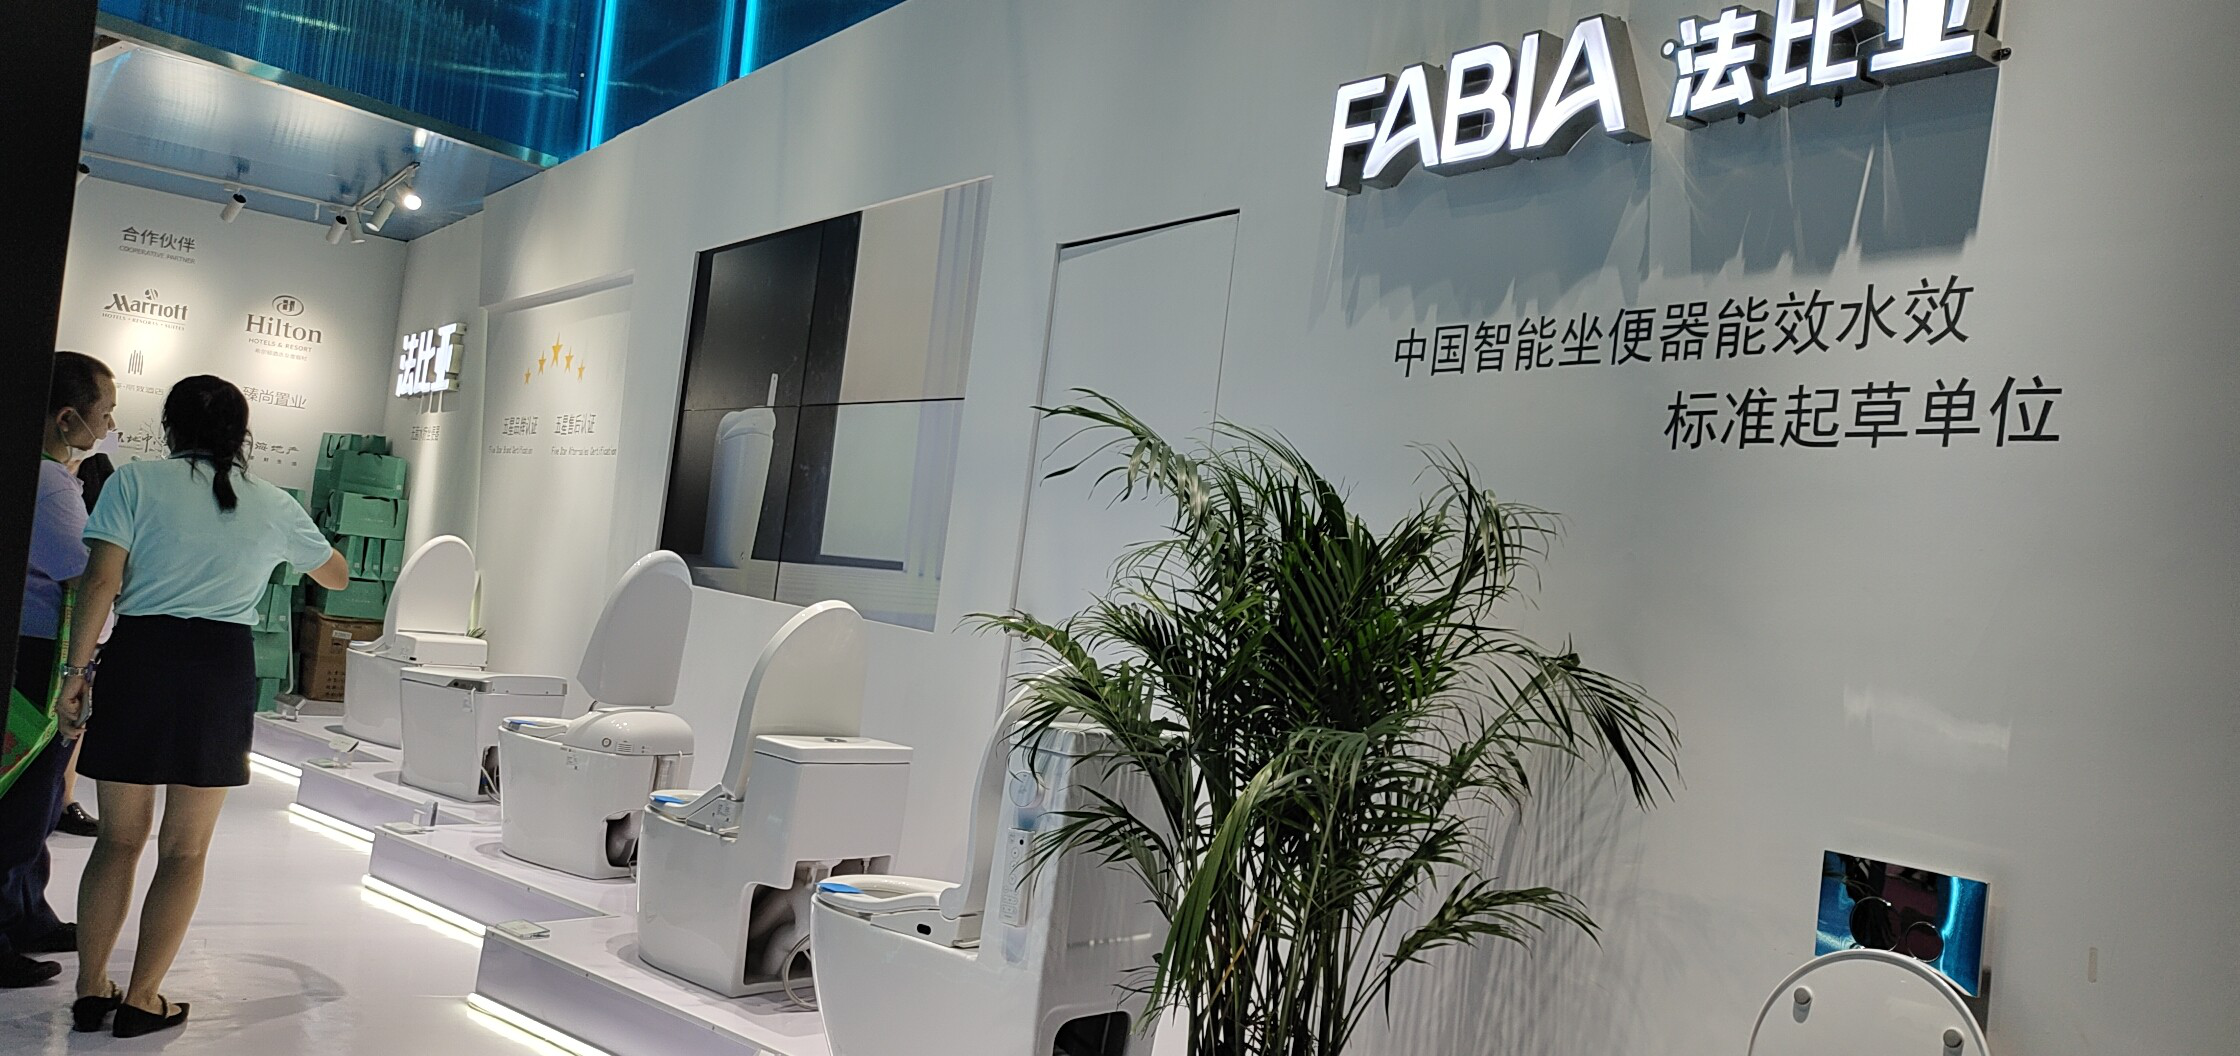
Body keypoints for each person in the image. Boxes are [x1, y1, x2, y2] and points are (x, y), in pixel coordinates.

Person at [56, 376, 347, 1038]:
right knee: (184, 850)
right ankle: (143, 999)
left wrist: (75, 673)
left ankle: (92, 989)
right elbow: (335, 575)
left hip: (139, 658)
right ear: (242, 435)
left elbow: (101, 580)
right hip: (219, 670)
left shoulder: (134, 483)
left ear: (170, 426)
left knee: (118, 839)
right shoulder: (272, 502)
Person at [2, 352, 115, 987]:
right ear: (67, 417)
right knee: (25, 795)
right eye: (104, 413)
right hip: (41, 655)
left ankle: (26, 914)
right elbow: (88, 572)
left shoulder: (52, 478)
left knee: (40, 795)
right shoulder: (47, 485)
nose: (108, 425)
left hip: (42, 649)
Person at [49, 453, 116, 840]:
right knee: (66, 726)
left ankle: (61, 800)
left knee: (71, 728)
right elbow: (87, 577)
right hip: (64, 636)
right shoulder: (55, 487)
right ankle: (59, 801)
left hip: (85, 635)